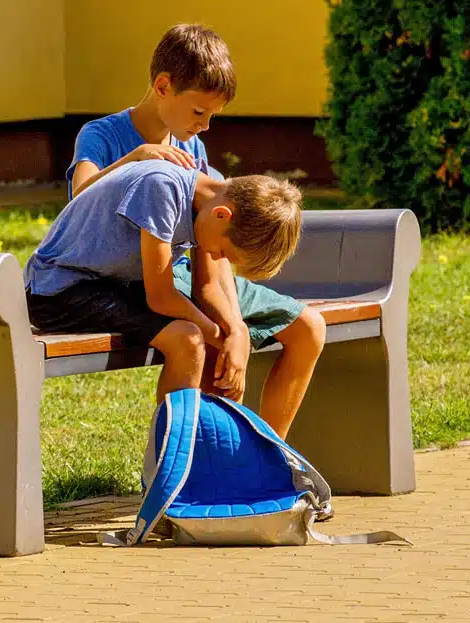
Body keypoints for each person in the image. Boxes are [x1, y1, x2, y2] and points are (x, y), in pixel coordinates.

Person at [59, 23, 325, 435]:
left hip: (184, 271)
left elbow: (211, 251)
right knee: (207, 340)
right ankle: (192, 461)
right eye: (199, 112)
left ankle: (266, 458)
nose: (204, 126)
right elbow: (79, 198)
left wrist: (234, 325)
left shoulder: (192, 147)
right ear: (163, 86)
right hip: (131, 277)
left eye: (212, 116)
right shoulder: (102, 134)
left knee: (308, 328)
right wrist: (136, 158)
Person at [25, 160, 315, 437]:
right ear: (222, 215)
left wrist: (234, 334)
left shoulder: (208, 204)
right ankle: (171, 465)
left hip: (108, 284)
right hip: (57, 290)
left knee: (193, 334)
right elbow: (161, 297)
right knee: (186, 338)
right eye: (224, 253)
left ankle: (207, 459)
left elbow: (208, 287)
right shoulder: (161, 189)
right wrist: (220, 339)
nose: (217, 257)